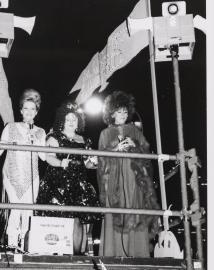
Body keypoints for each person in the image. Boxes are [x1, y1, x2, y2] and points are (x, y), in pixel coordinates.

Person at [97, 91, 160, 257]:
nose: (123, 115)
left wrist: (135, 145)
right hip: (113, 182)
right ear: (111, 113)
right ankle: (114, 254)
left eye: (125, 112)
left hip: (133, 181)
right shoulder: (105, 133)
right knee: (116, 212)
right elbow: (101, 160)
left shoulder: (135, 131)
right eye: (119, 111)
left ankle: (137, 253)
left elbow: (147, 157)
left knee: (134, 210)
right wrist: (115, 149)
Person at [36, 101, 102, 254]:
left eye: (74, 118)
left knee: (77, 222)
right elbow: (48, 157)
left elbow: (87, 163)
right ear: (62, 120)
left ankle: (76, 257)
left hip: (78, 183)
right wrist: (60, 163)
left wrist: (94, 163)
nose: (71, 121)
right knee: (57, 220)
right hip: (57, 183)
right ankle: (56, 257)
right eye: (68, 118)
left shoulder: (84, 140)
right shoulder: (54, 137)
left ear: (79, 121)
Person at [0, 88, 46, 249]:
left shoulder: (40, 131)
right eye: (26, 108)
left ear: (36, 112)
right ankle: (11, 245)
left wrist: (35, 141)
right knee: (16, 208)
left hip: (32, 176)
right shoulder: (11, 127)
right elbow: (0, 149)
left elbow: (43, 156)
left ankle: (25, 246)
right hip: (12, 173)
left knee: (28, 211)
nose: (29, 112)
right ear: (21, 110)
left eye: (32, 109)